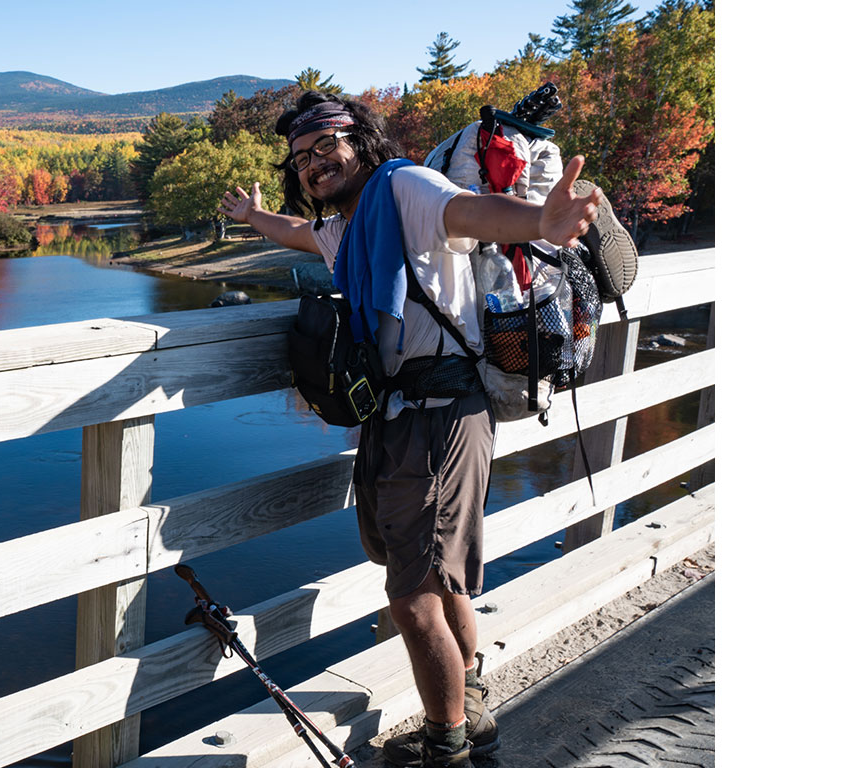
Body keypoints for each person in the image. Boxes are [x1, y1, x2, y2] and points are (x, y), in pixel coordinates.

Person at [216, 91, 606, 768]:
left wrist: (539, 217)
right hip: (398, 419)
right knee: (438, 582)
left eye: (326, 145)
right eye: (301, 157)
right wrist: (253, 218)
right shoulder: (352, 226)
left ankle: (448, 748)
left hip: (442, 415)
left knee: (413, 600)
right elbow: (299, 233)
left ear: (360, 141)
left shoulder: (405, 187)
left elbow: (470, 211)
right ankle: (469, 712)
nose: (312, 164)